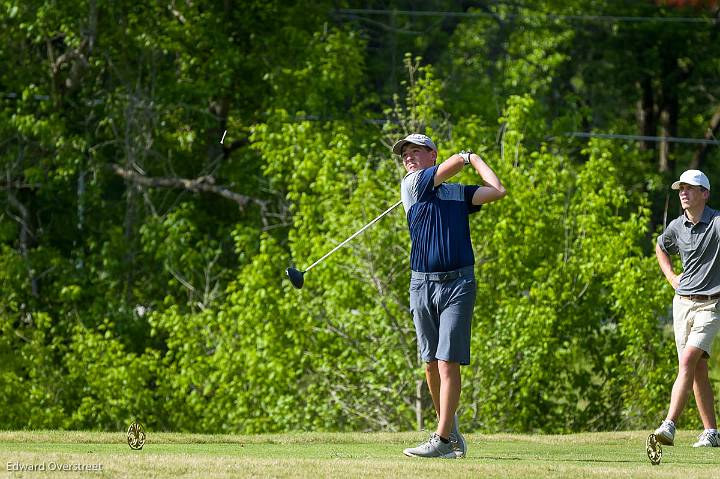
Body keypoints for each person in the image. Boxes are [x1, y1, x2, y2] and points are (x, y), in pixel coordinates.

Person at [393, 133, 507, 458]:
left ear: (433, 155)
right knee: (430, 362)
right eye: (405, 154)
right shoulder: (412, 183)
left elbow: (497, 190)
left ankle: (441, 440)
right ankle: (451, 428)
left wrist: (474, 158)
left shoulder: (456, 194)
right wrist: (465, 156)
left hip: (458, 283)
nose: (409, 158)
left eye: (417, 151)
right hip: (421, 283)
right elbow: (455, 164)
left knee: (447, 361)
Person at [654, 169, 720, 448]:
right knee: (696, 370)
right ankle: (712, 432)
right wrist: (671, 277)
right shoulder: (677, 226)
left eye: (690, 188)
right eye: (681, 188)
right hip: (682, 304)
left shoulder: (717, 222)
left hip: (711, 305)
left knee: (687, 361)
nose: (683, 193)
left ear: (704, 194)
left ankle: (668, 425)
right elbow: (660, 246)